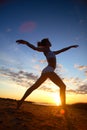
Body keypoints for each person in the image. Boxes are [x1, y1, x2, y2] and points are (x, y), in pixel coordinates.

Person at [16, 38, 79, 109]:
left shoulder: (52, 52)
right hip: (49, 70)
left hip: (47, 71)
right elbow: (35, 48)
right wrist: (26, 42)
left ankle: (20, 101)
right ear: (46, 44)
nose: (50, 42)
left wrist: (70, 47)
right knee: (63, 86)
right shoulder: (45, 49)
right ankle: (63, 107)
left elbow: (62, 50)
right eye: (49, 41)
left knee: (34, 87)